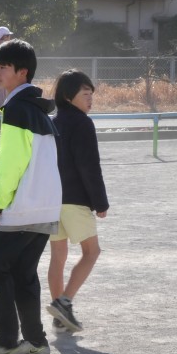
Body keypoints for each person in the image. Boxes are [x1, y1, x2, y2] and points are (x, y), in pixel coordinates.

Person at [0, 39, 61, 354]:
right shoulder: (37, 109)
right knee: (23, 274)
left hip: (24, 207)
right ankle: (36, 343)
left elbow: (10, 167)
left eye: (3, 67)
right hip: (46, 207)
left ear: (23, 72)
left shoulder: (17, 110)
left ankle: (7, 342)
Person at [46, 69, 109, 333]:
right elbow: (89, 166)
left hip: (51, 199)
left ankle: (60, 317)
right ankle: (64, 303)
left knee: (57, 256)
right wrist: (100, 202)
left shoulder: (50, 122)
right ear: (67, 96)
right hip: (74, 200)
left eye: (91, 94)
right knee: (92, 252)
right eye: (85, 94)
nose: (90, 99)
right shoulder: (82, 123)